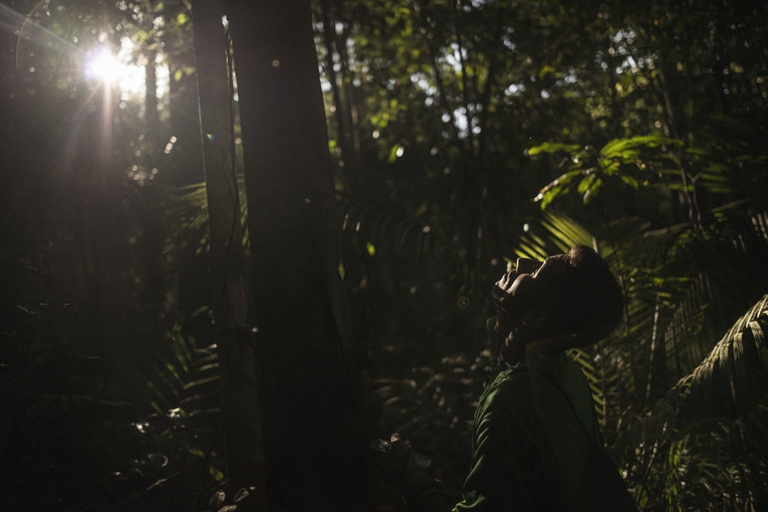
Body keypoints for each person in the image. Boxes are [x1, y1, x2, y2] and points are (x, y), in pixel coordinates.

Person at [375, 246, 636, 511]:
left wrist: (411, 476)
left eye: (535, 271)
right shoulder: (568, 374)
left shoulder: (508, 405)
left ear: (535, 316)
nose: (522, 261)